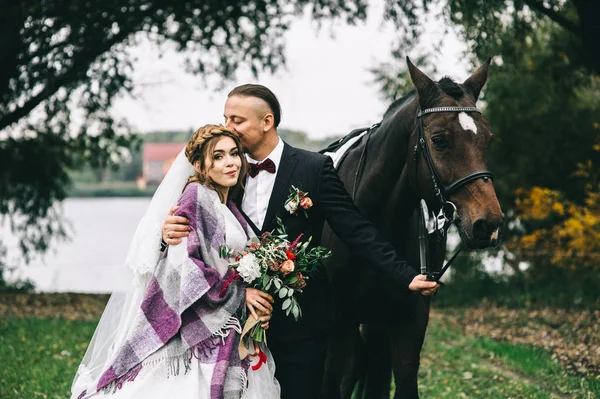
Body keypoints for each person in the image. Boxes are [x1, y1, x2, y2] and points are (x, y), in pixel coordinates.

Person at [162, 85, 440, 399]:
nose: (228, 127)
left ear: (266, 122)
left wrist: (405, 275)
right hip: (235, 322)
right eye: (226, 118)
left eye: (237, 120)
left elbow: (356, 229)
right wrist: (168, 231)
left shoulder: (315, 168)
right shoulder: (223, 172)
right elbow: (197, 225)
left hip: (303, 324)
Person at [71, 125, 280, 399]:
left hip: (229, 323)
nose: (230, 162)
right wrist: (242, 294)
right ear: (198, 164)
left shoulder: (227, 204)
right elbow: (187, 271)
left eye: (234, 154)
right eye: (217, 157)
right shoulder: (196, 197)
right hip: (202, 327)